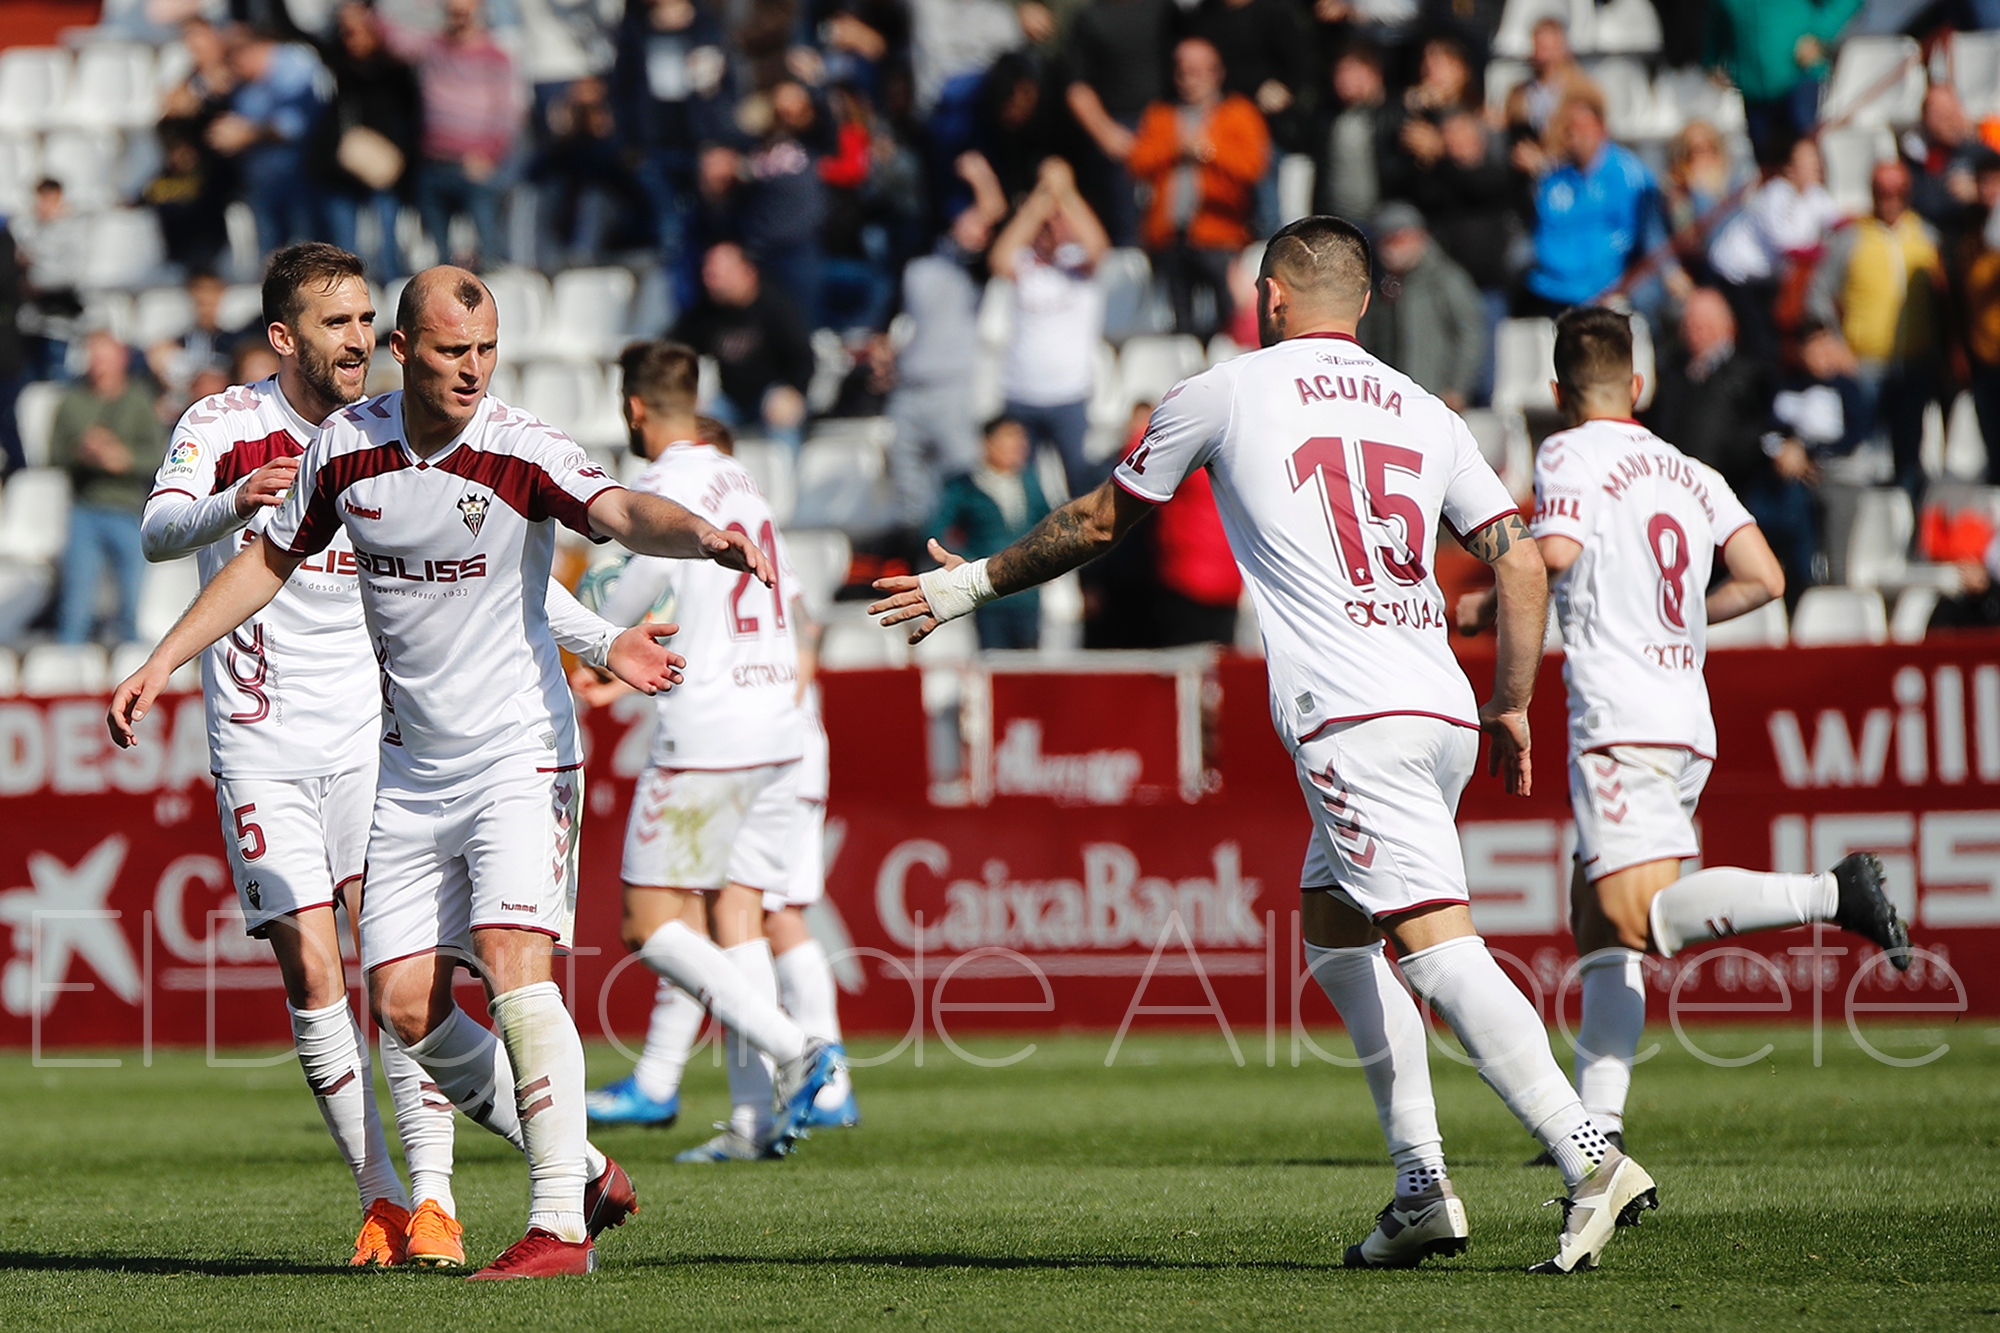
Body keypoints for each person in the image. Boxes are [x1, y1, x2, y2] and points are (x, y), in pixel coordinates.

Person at [871, 215, 1658, 1275]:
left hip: (1351, 714)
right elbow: (1518, 563)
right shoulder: (1425, 410)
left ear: (1270, 296)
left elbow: (1101, 521)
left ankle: (1590, 1157)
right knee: (1337, 935)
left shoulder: (1224, 390)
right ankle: (1420, 1187)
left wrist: (966, 585)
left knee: (1436, 947)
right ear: (1364, 304)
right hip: (1435, 706)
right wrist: (1510, 702)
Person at [106, 266, 821, 1279]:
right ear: (406, 352)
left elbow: (618, 509)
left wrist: (698, 539)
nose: (473, 370)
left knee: (510, 957)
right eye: (452, 351)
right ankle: (576, 1164)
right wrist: (162, 660)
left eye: (486, 351)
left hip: (517, 752)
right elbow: (264, 563)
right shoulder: (345, 450)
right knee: (404, 1002)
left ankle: (555, 1226)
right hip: (407, 766)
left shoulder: (520, 447)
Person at [1459, 305, 1909, 1155]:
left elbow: (1554, 554)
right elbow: (1765, 577)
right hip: (1683, 713)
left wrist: (1491, 600)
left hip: (1620, 713)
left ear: (1558, 391)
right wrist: (1684, 620)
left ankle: (1831, 893)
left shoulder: (1567, 452)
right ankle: (1597, 1128)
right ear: (1639, 384)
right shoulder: (1690, 470)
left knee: (1636, 915)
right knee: (1598, 925)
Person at [578, 388, 850, 1150]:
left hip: (726, 737)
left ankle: (798, 1053)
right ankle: (751, 1116)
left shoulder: (680, 498)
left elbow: (627, 595)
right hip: (777, 734)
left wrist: (592, 641)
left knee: (668, 919)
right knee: (738, 911)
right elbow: (787, 622)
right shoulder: (750, 501)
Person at [1806, 159, 1947, 513]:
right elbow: (1818, 292)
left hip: (1914, 362)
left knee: (1910, 451)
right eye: (1883, 191)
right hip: (1865, 364)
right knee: (1864, 453)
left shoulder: (1927, 237)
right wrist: (1834, 342)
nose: (1891, 199)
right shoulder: (1851, 238)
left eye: (1898, 191)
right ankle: (1863, 525)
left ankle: (1908, 526)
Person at [888, 153, 1009, 534]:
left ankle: (968, 551)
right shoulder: (919, 258)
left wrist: (982, 177)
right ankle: (921, 553)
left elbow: (994, 211)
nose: (976, 228)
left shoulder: (973, 268)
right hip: (908, 387)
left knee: (962, 476)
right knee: (908, 488)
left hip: (951, 387)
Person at [1127, 38, 1269, 340]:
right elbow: (1137, 161)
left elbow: (1253, 167)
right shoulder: (1162, 115)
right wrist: (1175, 150)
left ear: (1217, 73)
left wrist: (1209, 151)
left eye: (1198, 72)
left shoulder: (1239, 113)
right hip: (1170, 235)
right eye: (1183, 72)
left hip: (1221, 234)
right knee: (1180, 325)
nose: (1189, 80)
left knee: (1230, 319)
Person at [989, 157, 1110, 499]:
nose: (1050, 227)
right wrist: (1040, 200)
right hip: (1021, 393)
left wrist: (1066, 193)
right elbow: (998, 258)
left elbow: (1099, 246)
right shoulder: (1024, 262)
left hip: (1069, 394)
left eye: (1057, 220)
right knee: (1021, 489)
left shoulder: (1078, 262)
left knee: (1081, 487)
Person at [383, 0, 522, 269]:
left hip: (474, 165)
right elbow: (395, 39)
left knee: (489, 252)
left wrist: (490, 154)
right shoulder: (434, 48)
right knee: (439, 261)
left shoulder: (495, 56)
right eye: (452, 10)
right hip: (433, 162)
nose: (458, 16)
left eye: (463, 10)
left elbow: (507, 113)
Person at [51, 330, 168, 645]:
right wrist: (83, 452)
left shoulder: (139, 399)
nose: (99, 364)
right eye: (94, 357)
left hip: (128, 508)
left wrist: (123, 459)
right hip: (85, 507)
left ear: (121, 359)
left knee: (132, 602)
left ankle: (131, 661)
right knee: (76, 603)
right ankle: (69, 661)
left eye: (105, 357)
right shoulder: (72, 400)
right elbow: (53, 455)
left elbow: (158, 455)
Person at [1519, 90, 1660, 315]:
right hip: (1554, 289)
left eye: (1581, 126)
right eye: (1568, 128)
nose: (1573, 134)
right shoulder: (1555, 180)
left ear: (1600, 127)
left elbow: (1632, 237)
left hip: (1609, 293)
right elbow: (1545, 231)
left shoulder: (1628, 175)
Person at [669, 242, 815, 454]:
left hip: (771, 396)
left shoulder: (776, 306)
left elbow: (803, 357)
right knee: (694, 424)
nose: (710, 280)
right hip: (729, 399)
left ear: (747, 271)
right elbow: (674, 349)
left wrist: (794, 392)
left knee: (782, 419)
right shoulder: (706, 312)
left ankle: (786, 472)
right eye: (708, 273)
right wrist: (686, 392)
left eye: (717, 274)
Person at [1706, 133, 1841, 362]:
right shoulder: (1775, 193)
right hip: (1736, 276)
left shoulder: (1814, 195)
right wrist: (1825, 251)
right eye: (1805, 160)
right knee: (1759, 343)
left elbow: (1839, 222)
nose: (1814, 166)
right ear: (1789, 166)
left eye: (1815, 159)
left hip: (1767, 280)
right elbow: (1786, 245)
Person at [314, 1, 421, 279]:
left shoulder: (393, 74)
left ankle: (391, 286)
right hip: (342, 168)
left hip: (386, 166)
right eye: (347, 33)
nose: (353, 40)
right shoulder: (340, 69)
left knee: (388, 239)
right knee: (344, 247)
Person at [1064, 0, 1182, 246]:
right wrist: (1105, 132)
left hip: (1169, 124)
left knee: (1174, 221)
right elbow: (1077, 87)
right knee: (1127, 229)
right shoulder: (1090, 17)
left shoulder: (1165, 10)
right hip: (1119, 130)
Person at [933, 414, 1052, 649]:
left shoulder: (1030, 482)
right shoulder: (965, 485)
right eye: (1010, 438)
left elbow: (1050, 524)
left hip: (1028, 594)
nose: (1018, 446)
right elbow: (937, 531)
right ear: (988, 443)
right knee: (995, 659)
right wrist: (966, 563)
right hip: (988, 594)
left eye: (1021, 440)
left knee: (1028, 661)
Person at [1356, 202, 1488, 412]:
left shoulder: (1445, 279)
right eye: (1384, 240)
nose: (1390, 249)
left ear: (1419, 237)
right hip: (1386, 399)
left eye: (1398, 240)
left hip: (1433, 395)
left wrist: (1457, 388)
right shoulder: (1374, 282)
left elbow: (1469, 334)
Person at [1643, 288, 1773, 501]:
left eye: (1705, 323)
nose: (1696, 330)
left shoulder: (1749, 375)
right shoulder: (1671, 371)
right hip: (1672, 489)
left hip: (1727, 491)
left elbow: (1754, 435)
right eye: (1690, 323)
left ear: (1727, 326)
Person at [208, 28, 328, 257]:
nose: (233, 65)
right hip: (263, 187)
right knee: (273, 258)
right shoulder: (243, 84)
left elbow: (294, 126)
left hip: (301, 182)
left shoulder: (292, 66)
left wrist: (247, 134)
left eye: (235, 56)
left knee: (310, 255)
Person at [145, 271, 247, 402]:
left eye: (210, 302)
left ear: (220, 296)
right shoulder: (178, 342)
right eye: (201, 302)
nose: (205, 308)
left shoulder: (236, 343)